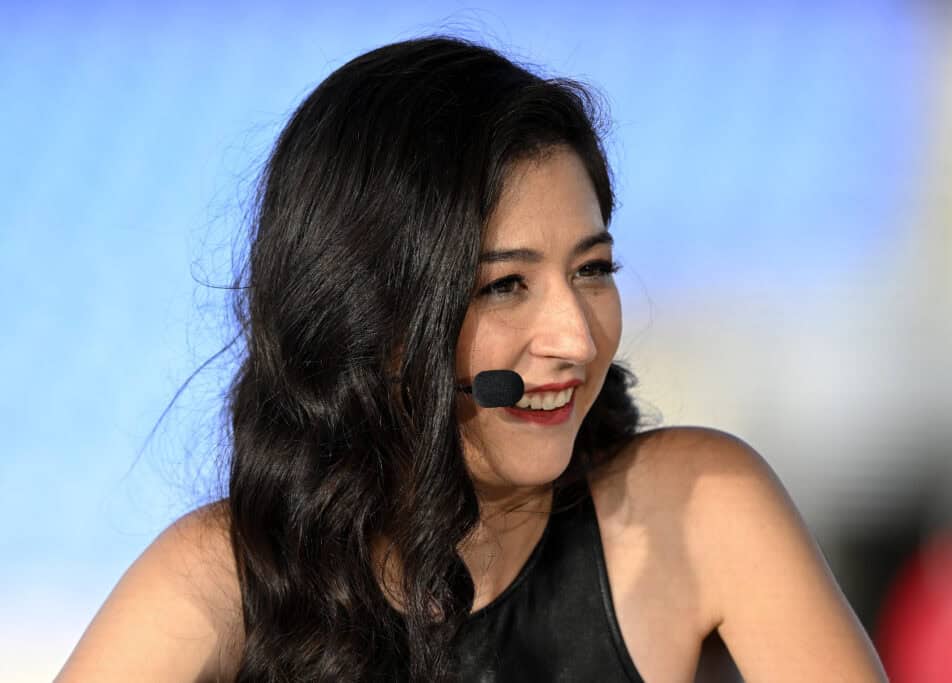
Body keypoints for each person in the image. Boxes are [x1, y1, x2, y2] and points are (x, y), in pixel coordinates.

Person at [58, 36, 887, 682]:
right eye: (504, 286)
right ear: (367, 316)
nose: (576, 336)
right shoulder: (222, 573)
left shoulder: (704, 506)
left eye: (592, 270)